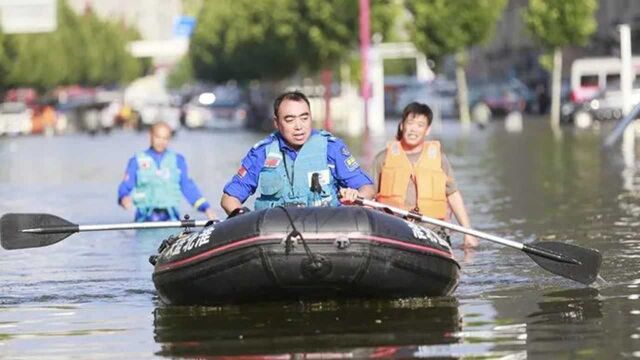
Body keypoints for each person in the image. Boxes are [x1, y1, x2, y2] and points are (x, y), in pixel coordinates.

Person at [221, 90, 375, 216]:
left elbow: (367, 189)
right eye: (290, 120)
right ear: (277, 123)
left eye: (304, 118)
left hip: (325, 230)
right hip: (274, 235)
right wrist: (242, 217)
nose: (299, 126)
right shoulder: (262, 152)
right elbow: (229, 199)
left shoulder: (331, 148)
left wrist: (354, 196)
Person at [371, 102, 478, 249]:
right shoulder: (382, 158)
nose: (414, 129)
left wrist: (468, 233)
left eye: (420, 125)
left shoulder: (439, 158)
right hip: (394, 229)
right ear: (402, 126)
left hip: (432, 231)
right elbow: (369, 191)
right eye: (410, 123)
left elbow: (453, 195)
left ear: (427, 130)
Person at [118, 121, 216, 222]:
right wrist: (124, 197)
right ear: (150, 136)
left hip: (170, 218)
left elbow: (188, 187)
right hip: (145, 218)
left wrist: (206, 208)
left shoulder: (178, 160)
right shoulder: (136, 160)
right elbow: (126, 185)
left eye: (165, 138)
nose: (161, 141)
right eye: (158, 137)